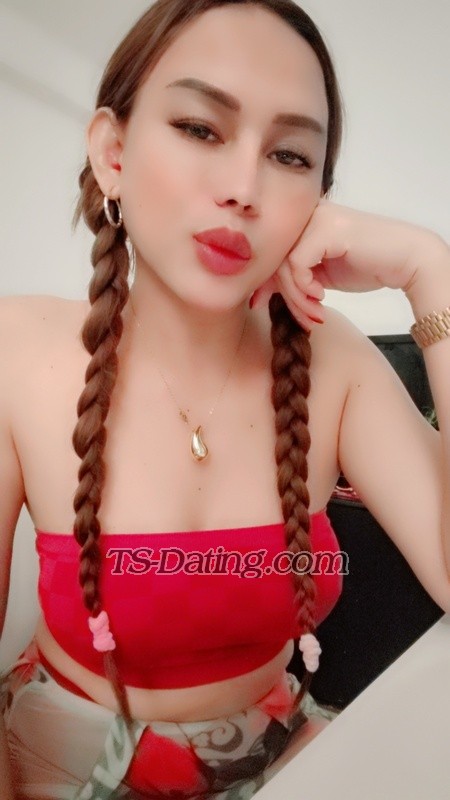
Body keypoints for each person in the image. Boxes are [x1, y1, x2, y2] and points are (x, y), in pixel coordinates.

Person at [1, 0, 449, 798]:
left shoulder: (333, 359)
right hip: (58, 758)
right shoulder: (16, 351)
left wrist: (430, 271)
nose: (243, 188)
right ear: (112, 153)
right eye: (200, 128)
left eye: (288, 154)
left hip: (275, 753)